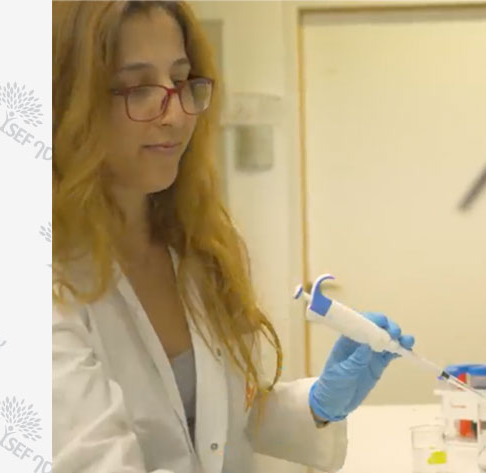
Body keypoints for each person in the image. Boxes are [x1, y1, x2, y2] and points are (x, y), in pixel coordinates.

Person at [51, 2, 416, 473]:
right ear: (70, 102)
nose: (176, 114)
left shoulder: (196, 247)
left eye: (181, 80)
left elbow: (215, 424)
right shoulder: (53, 281)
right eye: (139, 88)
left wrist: (316, 406)